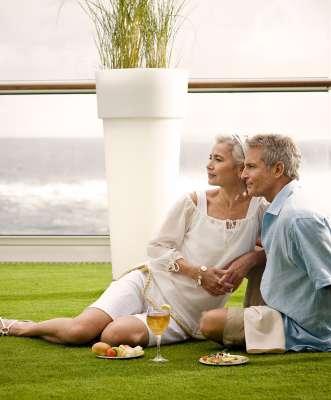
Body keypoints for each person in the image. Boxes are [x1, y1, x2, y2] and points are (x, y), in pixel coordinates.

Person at [0, 135, 267, 347]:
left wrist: (251, 258)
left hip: (185, 317)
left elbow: (273, 249)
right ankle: (20, 327)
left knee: (113, 336)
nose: (209, 164)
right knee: (80, 331)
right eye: (209, 157)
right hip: (150, 283)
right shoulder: (194, 202)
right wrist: (200, 273)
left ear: (240, 167)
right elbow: (157, 248)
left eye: (217, 159)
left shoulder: (260, 209)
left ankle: (106, 324)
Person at [200, 134, 331, 353]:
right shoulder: (280, 208)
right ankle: (258, 315)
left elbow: (328, 280)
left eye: (251, 167)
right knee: (254, 257)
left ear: (278, 169)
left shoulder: (299, 218)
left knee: (210, 322)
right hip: (279, 307)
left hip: (301, 327)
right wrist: (251, 258)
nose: (243, 175)